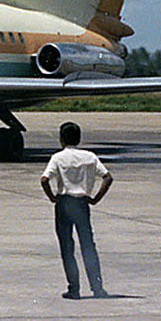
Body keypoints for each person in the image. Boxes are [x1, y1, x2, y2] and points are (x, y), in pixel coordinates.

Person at [40, 121, 113, 300]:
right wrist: (95, 199)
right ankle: (97, 287)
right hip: (82, 204)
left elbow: (44, 179)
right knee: (88, 246)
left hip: (64, 203)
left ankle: (74, 288)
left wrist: (52, 197)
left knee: (67, 248)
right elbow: (107, 177)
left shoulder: (58, 157)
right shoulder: (90, 157)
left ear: (62, 139)